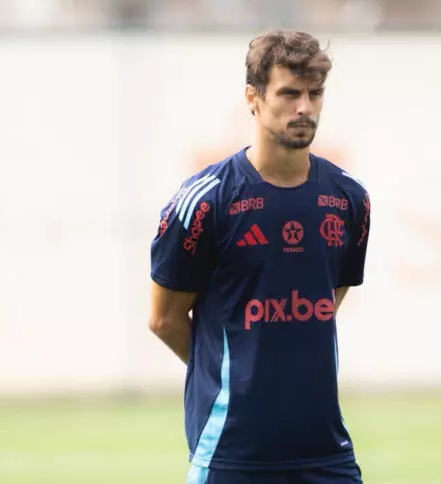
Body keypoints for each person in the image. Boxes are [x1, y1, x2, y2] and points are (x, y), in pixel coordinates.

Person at [149, 30, 371, 484]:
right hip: (231, 454)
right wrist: (241, 375)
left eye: (315, 93)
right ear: (253, 97)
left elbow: (328, 298)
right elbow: (164, 319)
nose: (304, 108)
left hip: (326, 456)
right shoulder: (206, 201)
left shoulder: (349, 199)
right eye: (289, 93)